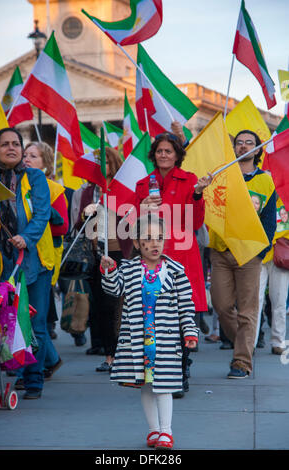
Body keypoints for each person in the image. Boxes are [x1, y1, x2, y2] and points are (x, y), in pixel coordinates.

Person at [100, 214, 199, 449]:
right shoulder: (129, 269)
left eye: (160, 238)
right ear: (136, 243)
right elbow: (114, 289)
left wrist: (190, 331)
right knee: (145, 385)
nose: (155, 243)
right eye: (148, 238)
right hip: (137, 340)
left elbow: (186, 305)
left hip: (165, 341)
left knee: (164, 385)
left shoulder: (176, 271)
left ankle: (166, 431)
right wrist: (109, 271)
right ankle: (154, 430)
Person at [134, 132, 212, 396]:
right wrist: (142, 207)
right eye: (159, 151)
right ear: (153, 154)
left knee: (181, 315)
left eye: (169, 151)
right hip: (153, 256)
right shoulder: (144, 184)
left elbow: (196, 223)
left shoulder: (190, 180)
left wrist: (199, 194)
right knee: (154, 315)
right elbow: (133, 223)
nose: (163, 155)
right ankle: (160, 370)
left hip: (182, 256)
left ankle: (182, 369)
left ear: (178, 155)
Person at [0, 128, 55, 399]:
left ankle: (34, 381)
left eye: (16, 143)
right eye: (5, 144)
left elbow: (41, 214)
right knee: (3, 323)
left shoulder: (35, 177)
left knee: (35, 324)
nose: (11, 148)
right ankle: (6, 377)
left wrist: (26, 238)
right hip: (0, 262)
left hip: (35, 261)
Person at [209, 130, 276, 378]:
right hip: (221, 251)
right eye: (239, 143)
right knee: (221, 304)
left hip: (249, 254)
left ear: (257, 150)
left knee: (248, 310)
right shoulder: (221, 175)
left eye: (250, 143)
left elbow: (269, 220)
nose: (244, 146)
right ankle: (244, 342)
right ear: (234, 148)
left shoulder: (265, 182)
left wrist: (262, 250)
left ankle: (241, 362)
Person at [81, 146, 133, 371]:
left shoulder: (124, 189)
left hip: (120, 253)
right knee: (101, 307)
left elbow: (132, 219)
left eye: (105, 162)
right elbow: (78, 227)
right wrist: (85, 214)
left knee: (117, 307)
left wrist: (109, 205)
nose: (101, 167)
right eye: (96, 163)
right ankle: (109, 355)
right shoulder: (87, 191)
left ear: (113, 163)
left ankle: (122, 354)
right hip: (96, 255)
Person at [24, 141, 69, 378]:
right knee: (26, 317)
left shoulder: (53, 189)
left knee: (37, 319)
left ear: (45, 162)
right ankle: (50, 359)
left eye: (33, 156)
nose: (27, 159)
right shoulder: (17, 184)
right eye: (25, 155)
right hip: (19, 259)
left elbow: (63, 228)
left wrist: (46, 214)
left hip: (44, 258)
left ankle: (34, 373)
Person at [255, 195, 289, 355]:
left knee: (280, 301)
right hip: (259, 254)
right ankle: (251, 342)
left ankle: (278, 341)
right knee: (255, 300)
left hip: (280, 256)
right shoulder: (259, 195)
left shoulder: (286, 198)